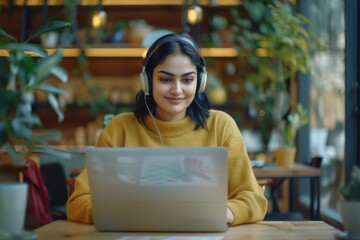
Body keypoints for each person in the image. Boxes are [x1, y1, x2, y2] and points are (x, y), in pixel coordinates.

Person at [66, 33, 267, 226]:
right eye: (165, 79)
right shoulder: (120, 129)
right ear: (147, 81)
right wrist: (122, 214)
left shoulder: (221, 126)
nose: (177, 90)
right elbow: (78, 202)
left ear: (200, 83)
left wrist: (223, 213)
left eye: (187, 80)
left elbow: (254, 199)